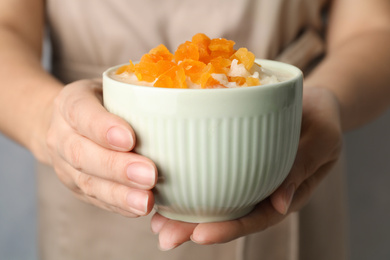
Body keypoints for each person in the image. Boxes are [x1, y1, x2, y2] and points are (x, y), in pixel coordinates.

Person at [0, 0, 389, 259]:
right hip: (94, 175)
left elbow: (374, 26)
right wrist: (48, 118)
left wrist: (326, 99)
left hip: (288, 142)